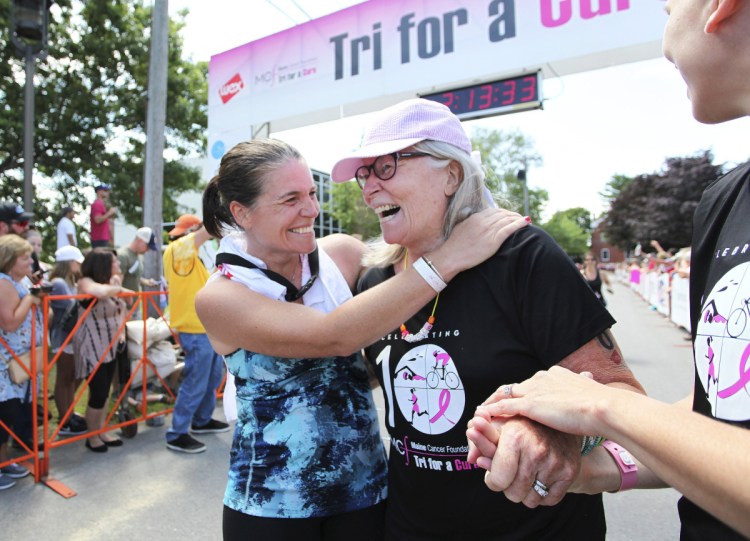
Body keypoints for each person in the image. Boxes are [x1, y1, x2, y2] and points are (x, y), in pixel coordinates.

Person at [469, 1, 750, 539]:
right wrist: (593, 467)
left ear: (719, 7)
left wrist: (599, 406)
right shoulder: (723, 201)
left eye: (668, 7)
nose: (663, 33)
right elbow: (717, 416)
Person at [330, 98, 644, 540]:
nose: (368, 188)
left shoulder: (523, 258)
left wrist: (558, 437)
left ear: (451, 173)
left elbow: (623, 395)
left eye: (386, 167)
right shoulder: (377, 282)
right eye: (365, 174)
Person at [195, 138, 528, 540]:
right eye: (290, 200)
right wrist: (451, 256)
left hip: (367, 496)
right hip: (271, 506)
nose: (311, 211)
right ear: (241, 212)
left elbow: (399, 318)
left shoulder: (344, 256)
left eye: (312, 195)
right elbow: (334, 337)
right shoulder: (219, 296)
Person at [163, 214, 228, 454]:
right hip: (194, 326)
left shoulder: (192, 256)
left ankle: (201, 420)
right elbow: (202, 236)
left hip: (205, 325)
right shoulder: (179, 250)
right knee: (195, 381)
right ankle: (177, 433)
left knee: (211, 378)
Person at [74, 249, 129, 452]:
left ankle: (101, 430)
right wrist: (117, 285)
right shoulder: (85, 282)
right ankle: (92, 436)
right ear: (103, 265)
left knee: (104, 392)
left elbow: (122, 306)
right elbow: (101, 293)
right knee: (97, 392)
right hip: (92, 346)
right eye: (114, 262)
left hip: (110, 345)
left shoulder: (111, 282)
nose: (118, 265)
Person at [0, 235, 43, 490]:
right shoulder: (3, 283)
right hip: (6, 361)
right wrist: (31, 298)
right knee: (5, 412)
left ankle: (5, 461)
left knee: (12, 410)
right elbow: (9, 322)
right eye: (24, 257)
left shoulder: (18, 281)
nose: (30, 261)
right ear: (9, 260)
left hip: (21, 359)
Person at [49, 245, 87, 436]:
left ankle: (68, 414)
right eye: (76, 261)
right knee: (64, 378)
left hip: (71, 337)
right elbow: (73, 307)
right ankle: (65, 420)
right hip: (63, 337)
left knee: (71, 377)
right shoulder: (59, 283)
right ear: (69, 263)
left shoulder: (68, 282)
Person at [117, 227, 158, 294]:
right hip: (123, 303)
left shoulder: (139, 256)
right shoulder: (122, 256)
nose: (148, 250)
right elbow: (116, 285)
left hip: (135, 302)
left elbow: (132, 275)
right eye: (147, 246)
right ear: (140, 240)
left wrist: (146, 281)